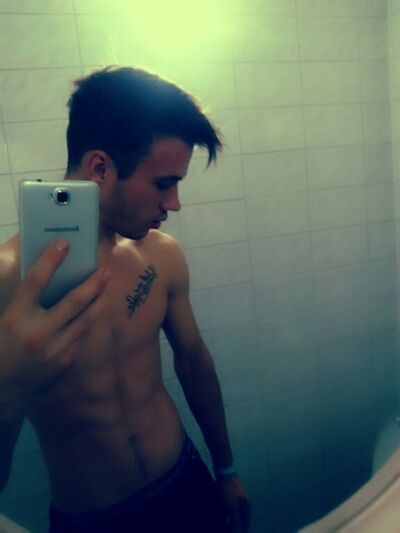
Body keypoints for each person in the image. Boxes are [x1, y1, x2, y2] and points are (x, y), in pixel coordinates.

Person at [0, 66, 251, 532]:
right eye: (163, 183)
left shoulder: (162, 256)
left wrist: (227, 469)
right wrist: (7, 385)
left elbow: (194, 363)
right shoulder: (9, 281)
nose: (174, 203)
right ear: (100, 168)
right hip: (94, 519)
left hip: (184, 481)